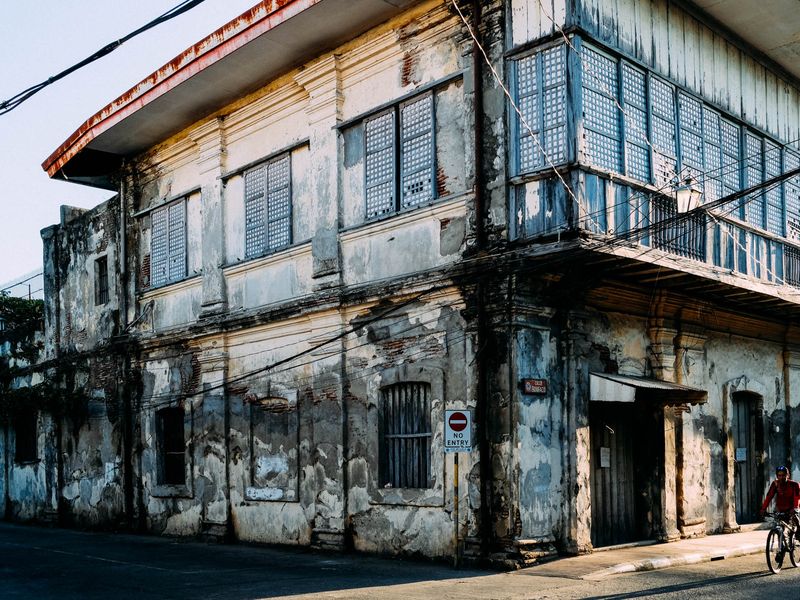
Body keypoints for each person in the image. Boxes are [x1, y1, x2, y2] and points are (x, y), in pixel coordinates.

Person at [760, 466, 800, 531]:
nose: (781, 477)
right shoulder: (775, 484)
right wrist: (763, 509)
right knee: (780, 526)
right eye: (779, 475)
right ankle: (781, 538)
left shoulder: (794, 485)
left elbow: (797, 497)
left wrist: (795, 508)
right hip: (780, 508)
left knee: (796, 519)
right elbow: (769, 497)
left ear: (788, 475)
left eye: (783, 475)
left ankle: (798, 531)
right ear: (777, 476)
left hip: (792, 508)